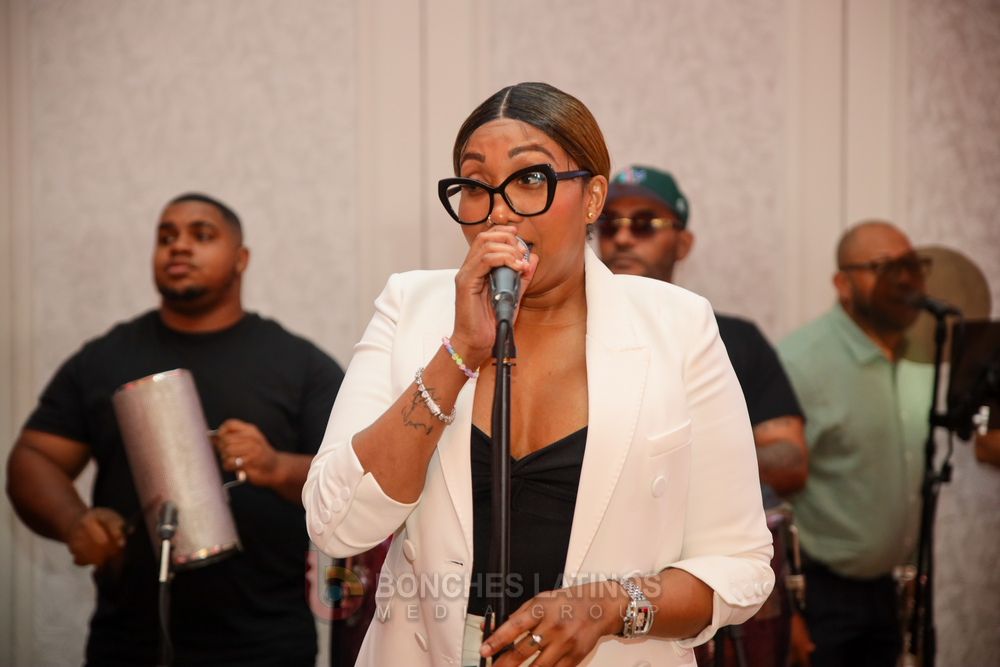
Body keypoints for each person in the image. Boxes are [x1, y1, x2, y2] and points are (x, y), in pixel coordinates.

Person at [304, 82, 773, 667]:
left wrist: (608, 607)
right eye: (475, 185)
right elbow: (337, 525)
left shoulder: (678, 326)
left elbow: (741, 566)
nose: (498, 211)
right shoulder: (410, 307)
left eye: (530, 178)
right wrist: (459, 353)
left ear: (593, 197)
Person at [6, 193, 345, 667]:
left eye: (201, 235)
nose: (179, 246)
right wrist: (73, 522)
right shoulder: (104, 359)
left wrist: (276, 466)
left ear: (241, 259)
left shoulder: (300, 364)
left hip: (267, 645)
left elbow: (356, 480)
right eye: (166, 237)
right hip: (127, 645)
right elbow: (33, 458)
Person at [775, 220, 934, 667]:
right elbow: (764, 493)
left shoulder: (923, 356)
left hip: (893, 593)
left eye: (911, 265)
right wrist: (785, 605)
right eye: (883, 267)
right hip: (822, 598)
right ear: (843, 284)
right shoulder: (799, 362)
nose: (903, 280)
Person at [598, 164, 808, 497]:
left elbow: (790, 460)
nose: (622, 238)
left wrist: (673, 458)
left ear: (683, 244)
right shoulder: (570, 334)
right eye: (609, 224)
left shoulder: (734, 340)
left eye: (644, 224)